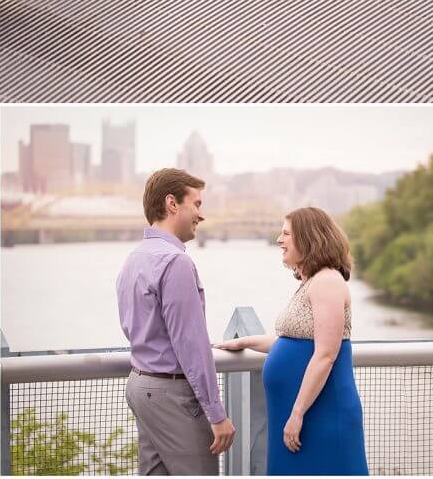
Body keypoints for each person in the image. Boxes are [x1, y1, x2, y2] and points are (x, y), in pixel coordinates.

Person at [221, 208, 369, 475]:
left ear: (309, 238)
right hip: (297, 412)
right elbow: (294, 341)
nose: (279, 240)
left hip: (319, 412)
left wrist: (298, 413)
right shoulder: (312, 282)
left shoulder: (327, 282)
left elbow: (326, 354)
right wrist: (243, 342)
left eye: (286, 233)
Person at [116, 169, 236, 475]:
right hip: (172, 396)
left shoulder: (134, 258)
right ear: (172, 203)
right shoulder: (175, 262)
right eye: (196, 204)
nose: (201, 214)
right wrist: (217, 413)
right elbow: (191, 344)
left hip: (140, 387)